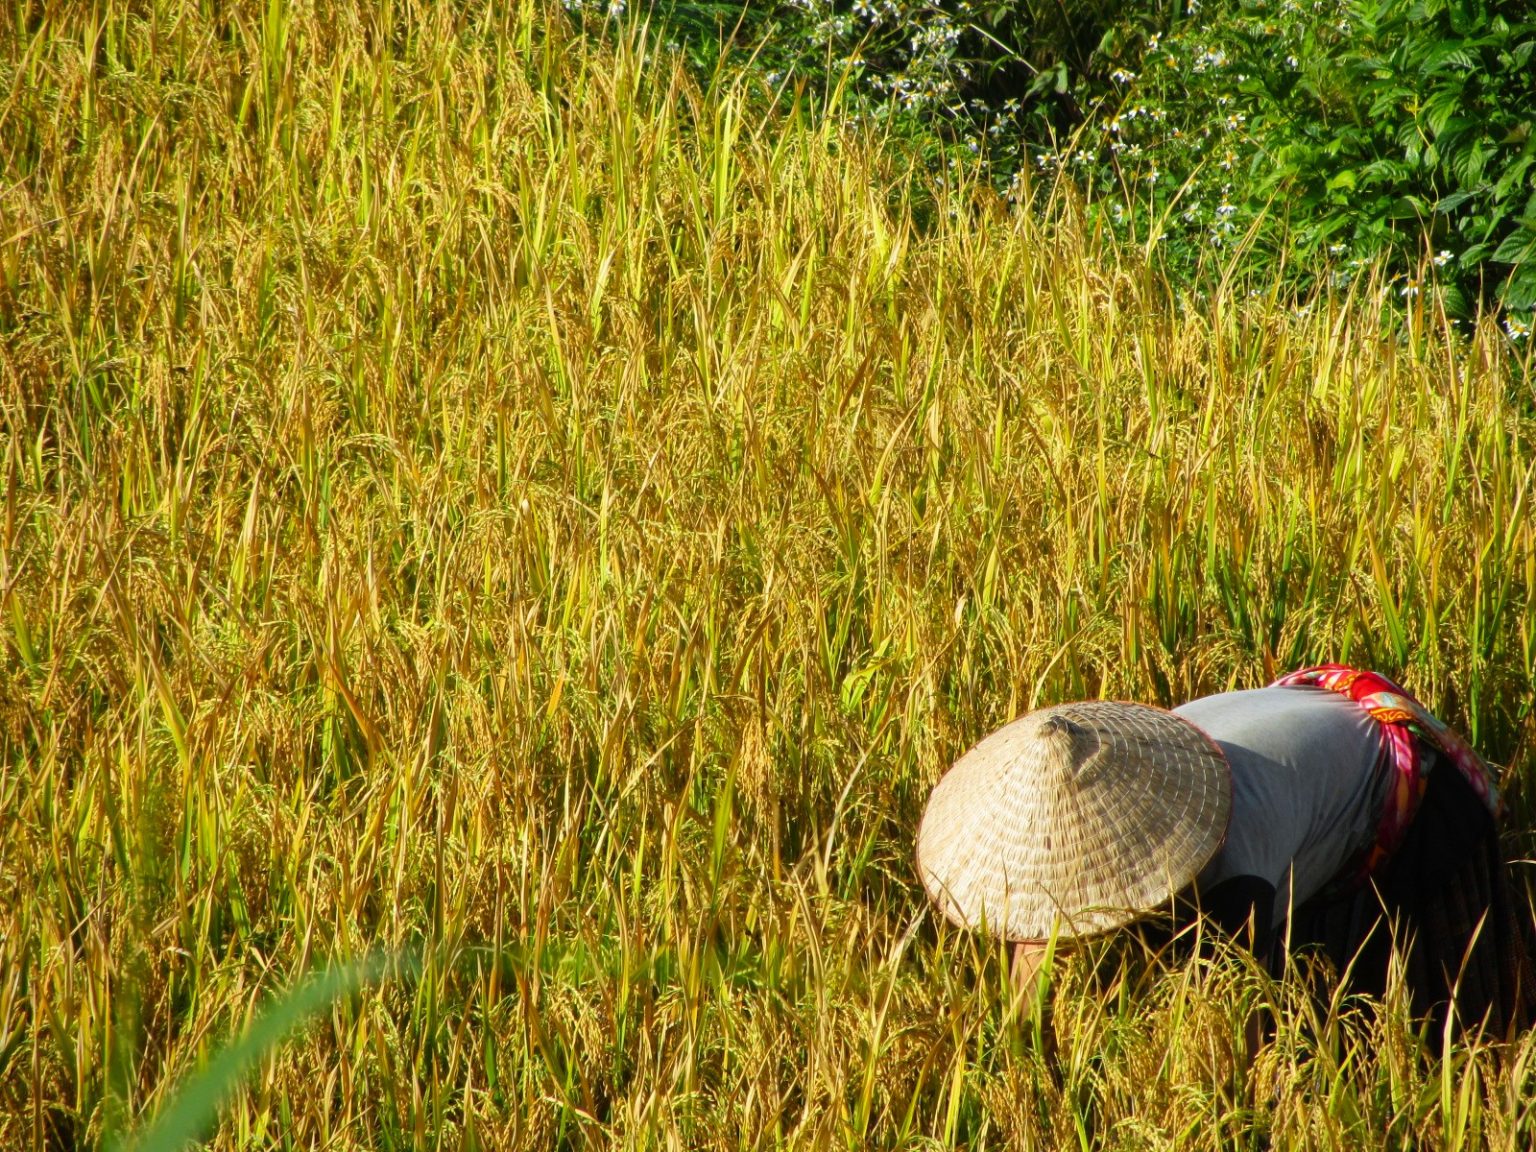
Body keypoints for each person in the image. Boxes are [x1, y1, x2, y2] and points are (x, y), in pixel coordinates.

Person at [915, 665, 1535, 1036]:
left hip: (1407, 785)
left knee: (1407, 1019)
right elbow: (1032, 969)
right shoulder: (1120, 785)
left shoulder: (1233, 860)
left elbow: (1238, 1028)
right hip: (1305, 730)